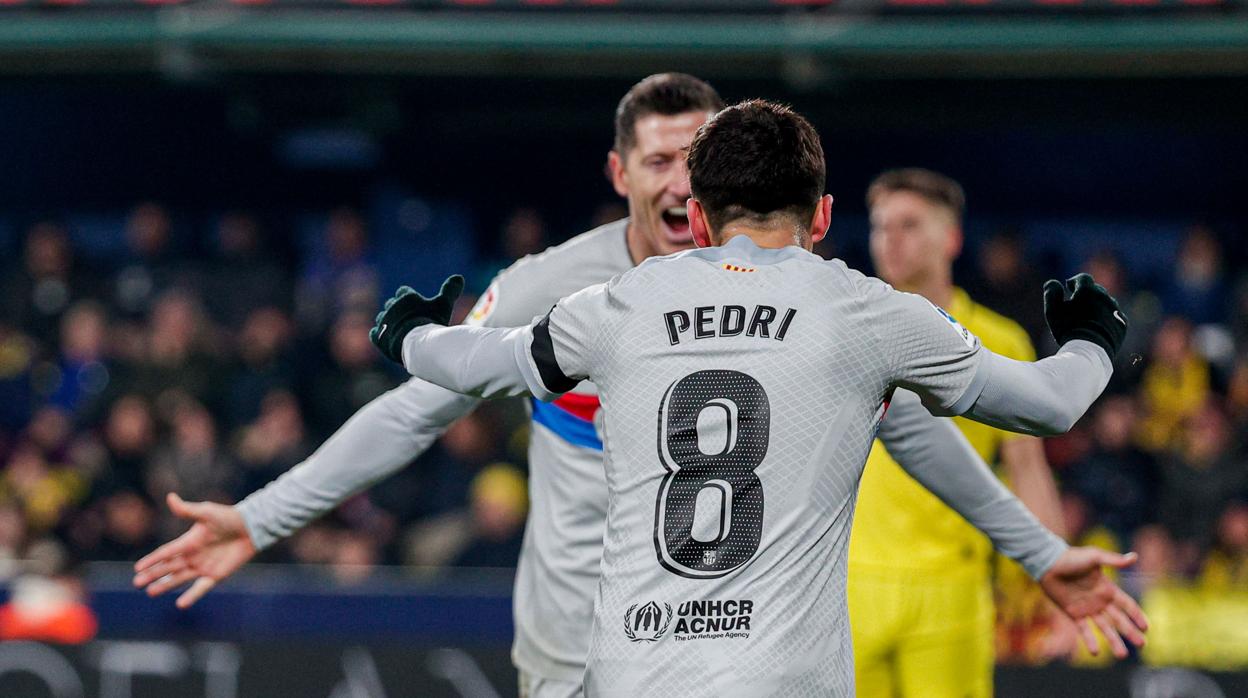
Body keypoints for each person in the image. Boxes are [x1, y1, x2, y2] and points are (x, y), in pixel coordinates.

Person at [363, 100, 1144, 695]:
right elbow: (1051, 403)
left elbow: (475, 361)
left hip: (638, 676)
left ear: (696, 218)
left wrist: (408, 334)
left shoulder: (620, 304)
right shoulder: (868, 312)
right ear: (825, 216)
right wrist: (1093, 337)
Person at [848, 167, 1068, 695]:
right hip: (849, 586)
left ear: (951, 238)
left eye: (909, 225)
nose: (890, 241)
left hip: (953, 591)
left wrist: (1059, 579)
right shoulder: (847, 329)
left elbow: (1028, 469)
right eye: (881, 227)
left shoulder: (999, 341)